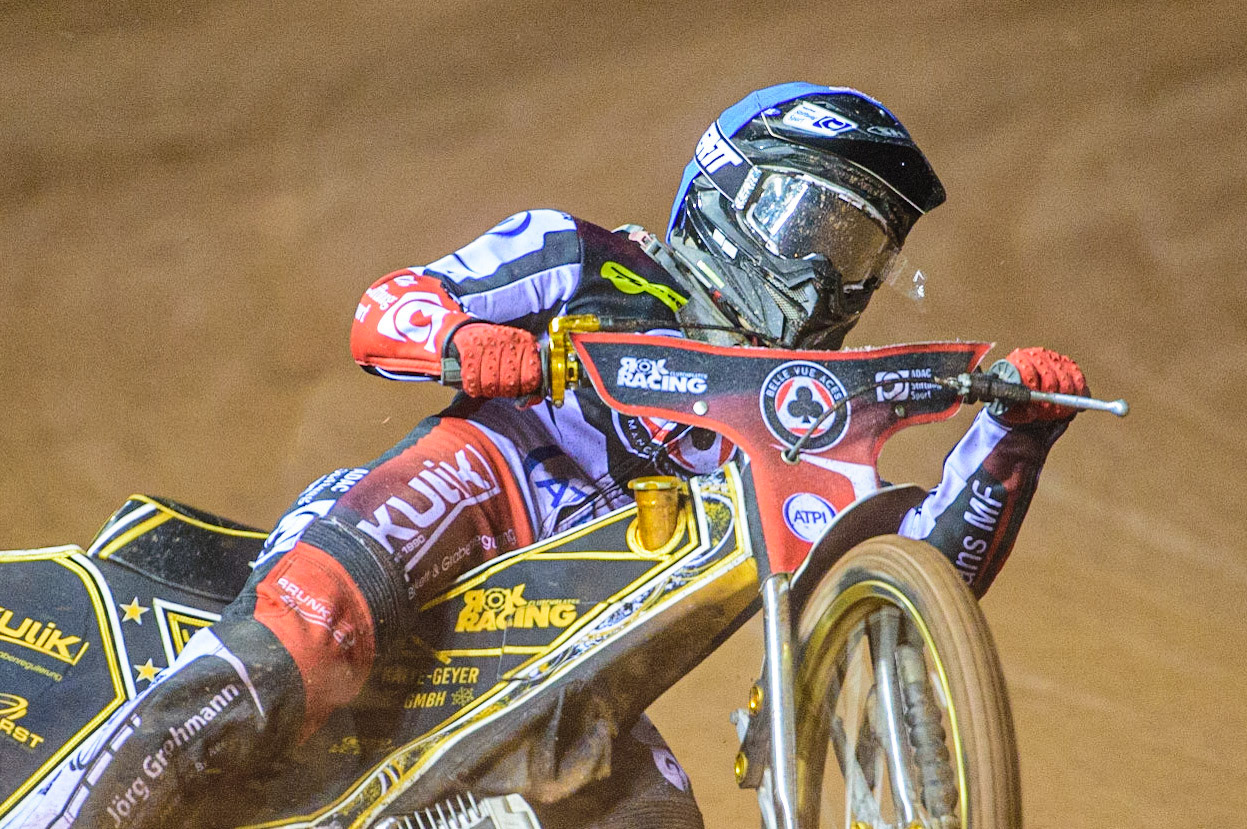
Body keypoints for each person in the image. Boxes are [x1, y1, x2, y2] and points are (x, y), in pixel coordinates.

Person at [15, 82, 1086, 829]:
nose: (825, 275)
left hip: (573, 643)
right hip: (465, 510)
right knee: (309, 635)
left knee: (656, 815)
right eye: (812, 224)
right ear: (731, 195)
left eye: (857, 249)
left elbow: (899, 577)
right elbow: (384, 308)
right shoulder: (584, 257)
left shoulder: (796, 412)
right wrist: (464, 340)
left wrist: (1010, 439)